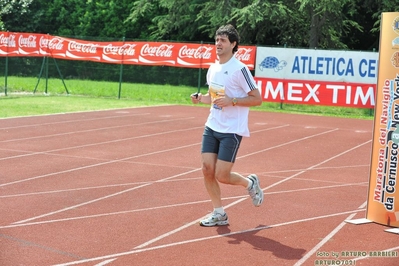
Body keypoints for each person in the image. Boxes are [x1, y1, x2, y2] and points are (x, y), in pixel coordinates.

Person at [190, 24, 264, 227]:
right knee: (207, 169)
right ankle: (219, 213)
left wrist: (233, 101)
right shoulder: (213, 68)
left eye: (223, 40)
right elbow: (213, 98)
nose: (218, 44)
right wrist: (201, 98)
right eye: (216, 40)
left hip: (231, 129)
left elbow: (257, 99)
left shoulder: (240, 70)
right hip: (212, 125)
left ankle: (250, 183)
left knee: (222, 175)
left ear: (233, 44)